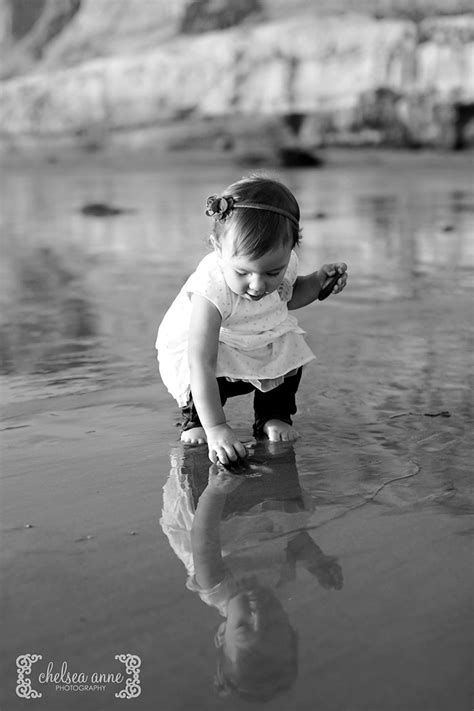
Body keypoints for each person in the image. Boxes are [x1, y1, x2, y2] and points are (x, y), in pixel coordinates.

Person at [156, 174, 348, 464]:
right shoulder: (211, 290)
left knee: (287, 348)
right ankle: (196, 419)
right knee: (203, 369)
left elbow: (287, 297)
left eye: (272, 273)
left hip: (254, 339)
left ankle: (272, 414)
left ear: (291, 250)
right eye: (244, 273)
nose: (258, 285)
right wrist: (217, 428)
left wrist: (319, 282)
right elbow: (200, 361)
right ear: (218, 249)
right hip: (212, 351)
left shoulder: (281, 264)